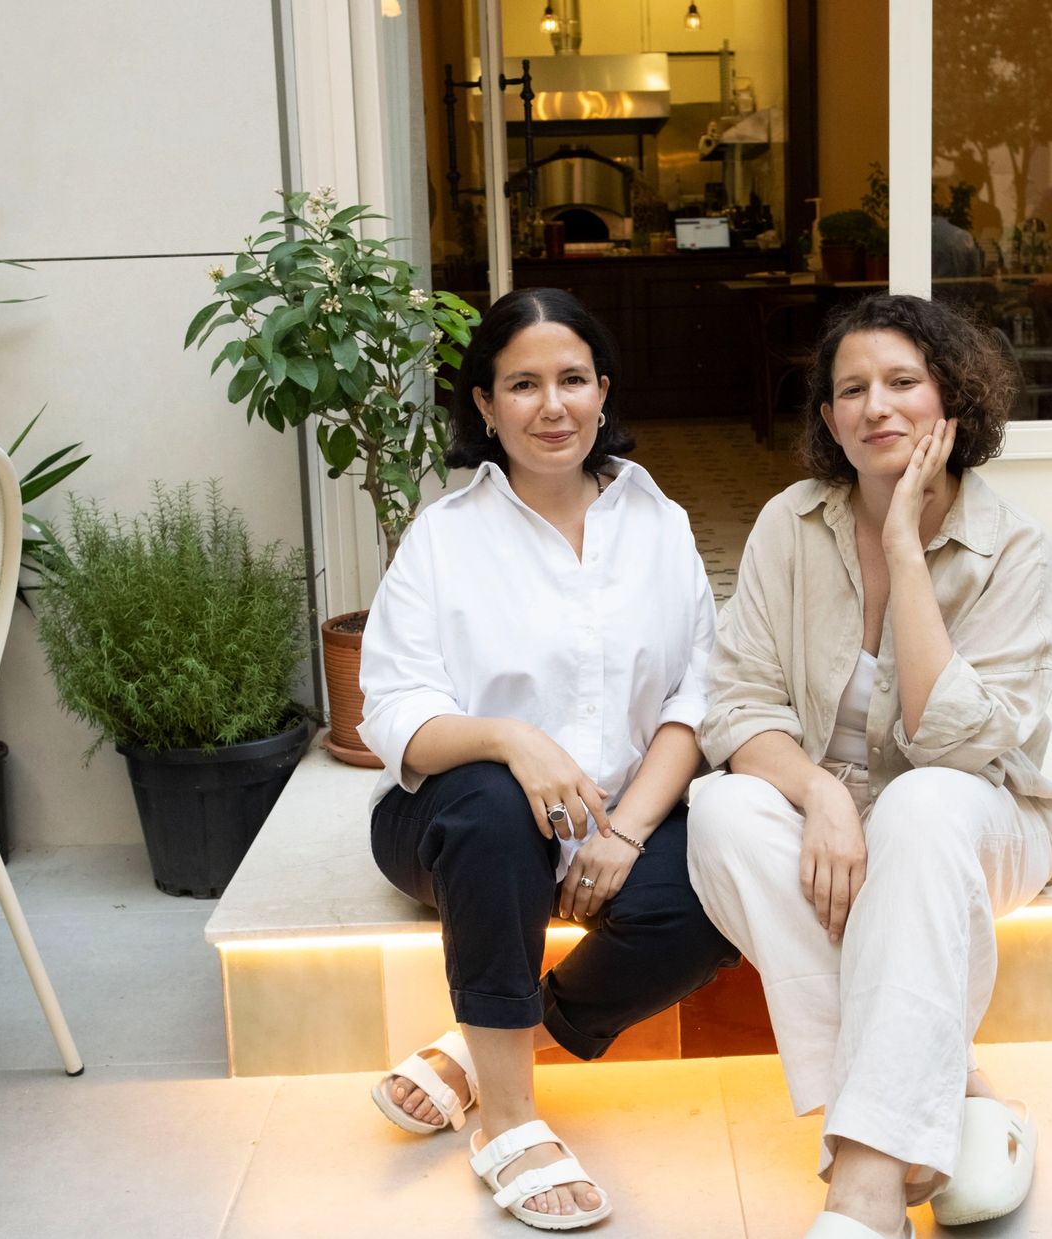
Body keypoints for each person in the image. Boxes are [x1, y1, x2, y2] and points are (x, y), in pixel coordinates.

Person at [687, 294, 1052, 1239]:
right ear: (828, 420)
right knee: (723, 812)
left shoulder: (1012, 547)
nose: (876, 406)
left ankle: (863, 1182)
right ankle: (948, 1092)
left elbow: (961, 746)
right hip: (844, 828)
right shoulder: (791, 523)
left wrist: (903, 543)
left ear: (951, 401)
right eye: (851, 390)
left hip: (980, 824)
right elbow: (735, 704)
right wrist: (819, 793)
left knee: (925, 803)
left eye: (903, 382)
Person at [357, 286, 737, 1232]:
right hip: (458, 825)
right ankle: (509, 1120)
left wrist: (631, 830)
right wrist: (513, 740)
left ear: (604, 391)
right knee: (490, 802)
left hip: (618, 816)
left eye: (572, 379)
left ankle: (474, 1050)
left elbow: (701, 696)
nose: (552, 405)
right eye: (522, 384)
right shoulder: (445, 536)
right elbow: (395, 714)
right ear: (483, 405)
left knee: (723, 891)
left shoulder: (660, 523)